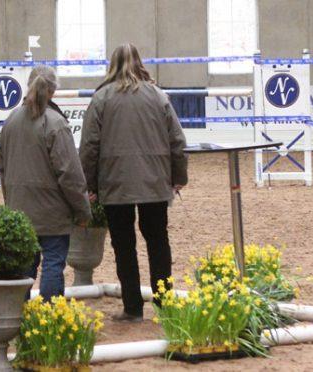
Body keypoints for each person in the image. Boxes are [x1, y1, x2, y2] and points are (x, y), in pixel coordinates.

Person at [80, 43, 188, 322]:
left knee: (123, 244)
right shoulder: (158, 95)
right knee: (158, 240)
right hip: (154, 181)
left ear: (112, 64)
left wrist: (89, 185)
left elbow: (89, 146)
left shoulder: (101, 98)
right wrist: (178, 177)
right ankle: (164, 305)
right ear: (139, 62)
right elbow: (177, 141)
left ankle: (132, 307)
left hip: (115, 182)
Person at [0, 65, 92, 301]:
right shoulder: (56, 123)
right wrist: (82, 210)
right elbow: (69, 172)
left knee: (25, 267)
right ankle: (50, 316)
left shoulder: (10, 121)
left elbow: (1, 167)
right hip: (53, 211)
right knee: (52, 262)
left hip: (19, 209)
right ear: (53, 91)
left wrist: (11, 201)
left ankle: (19, 314)